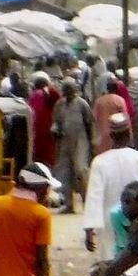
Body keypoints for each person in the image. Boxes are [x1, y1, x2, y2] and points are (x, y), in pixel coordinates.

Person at [83, 116, 138, 257]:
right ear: (129, 133)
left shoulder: (99, 162)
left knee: (111, 265)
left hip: (109, 224)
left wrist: (89, 229)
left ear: (111, 136)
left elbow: (94, 197)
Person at [51, 79, 95, 213]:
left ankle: (87, 203)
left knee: (81, 171)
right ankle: (69, 205)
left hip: (80, 142)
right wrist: (54, 130)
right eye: (66, 91)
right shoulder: (60, 104)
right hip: (64, 142)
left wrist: (92, 143)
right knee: (64, 173)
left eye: (70, 90)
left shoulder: (82, 104)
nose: (68, 93)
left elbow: (90, 124)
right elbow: (56, 122)